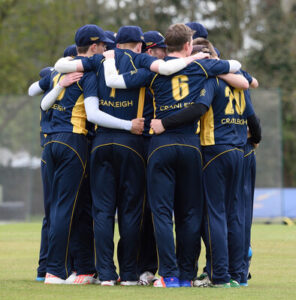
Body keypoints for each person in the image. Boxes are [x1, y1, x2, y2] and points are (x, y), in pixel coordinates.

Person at [103, 23, 247, 288]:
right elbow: (237, 67)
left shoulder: (152, 71)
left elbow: (114, 81)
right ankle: (186, 274)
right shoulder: (200, 66)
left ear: (166, 46)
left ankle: (167, 274)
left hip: (161, 145)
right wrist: (207, 60)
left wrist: (110, 60)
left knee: (161, 212)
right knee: (189, 212)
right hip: (191, 146)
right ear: (189, 45)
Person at [150, 58, 261, 289]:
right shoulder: (240, 84)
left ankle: (218, 275)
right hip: (239, 152)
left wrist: (165, 123)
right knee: (235, 214)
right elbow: (253, 119)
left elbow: (200, 108)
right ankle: (238, 274)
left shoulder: (210, 81)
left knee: (215, 215)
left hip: (215, 150)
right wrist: (255, 139)